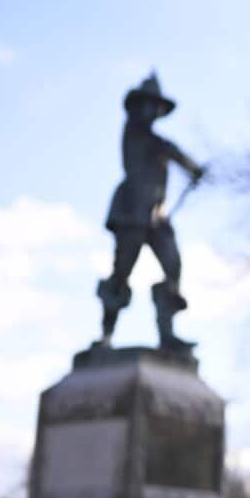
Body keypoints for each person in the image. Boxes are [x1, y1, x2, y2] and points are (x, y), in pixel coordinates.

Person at [96, 72, 206, 354]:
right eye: (149, 104)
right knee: (121, 273)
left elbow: (171, 152)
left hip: (156, 216)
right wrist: (190, 164)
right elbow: (167, 148)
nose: (153, 110)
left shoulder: (157, 143)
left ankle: (167, 334)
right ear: (138, 106)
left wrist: (193, 169)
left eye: (156, 106)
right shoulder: (136, 133)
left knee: (173, 267)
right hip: (131, 210)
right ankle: (106, 335)